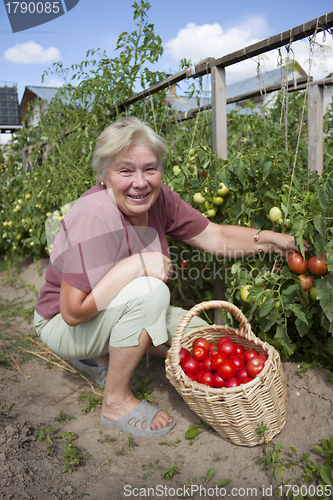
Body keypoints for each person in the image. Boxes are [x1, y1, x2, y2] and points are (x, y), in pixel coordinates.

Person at [34, 117, 307, 438]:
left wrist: (276, 240)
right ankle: (115, 400)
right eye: (125, 170)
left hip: (111, 311)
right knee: (151, 291)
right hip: (63, 326)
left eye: (150, 168)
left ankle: (101, 357)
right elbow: (73, 311)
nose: (140, 182)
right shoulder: (94, 215)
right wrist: (136, 266)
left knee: (209, 342)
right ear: (103, 175)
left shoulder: (160, 198)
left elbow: (216, 237)